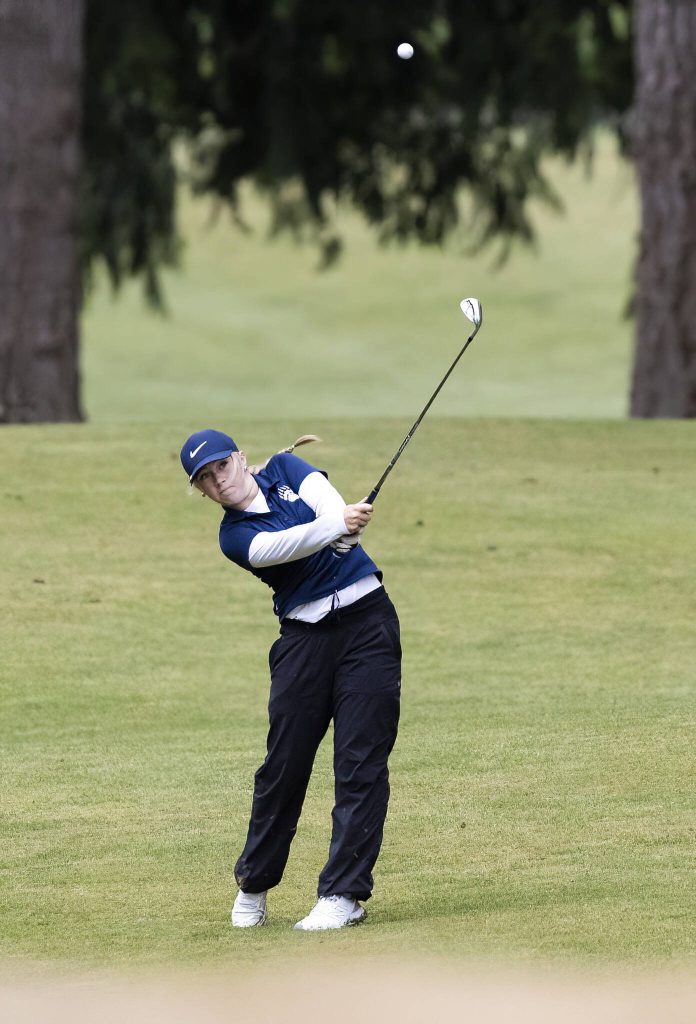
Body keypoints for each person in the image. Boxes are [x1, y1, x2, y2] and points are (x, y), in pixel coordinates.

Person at [180, 428, 402, 931]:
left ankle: (342, 895)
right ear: (202, 491)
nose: (220, 481)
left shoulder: (285, 468)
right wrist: (337, 529)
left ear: (240, 458)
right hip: (304, 641)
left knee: (360, 762)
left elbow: (328, 503)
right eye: (206, 479)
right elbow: (284, 545)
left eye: (222, 466)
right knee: (284, 766)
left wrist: (340, 522)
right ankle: (254, 883)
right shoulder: (234, 538)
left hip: (368, 625)